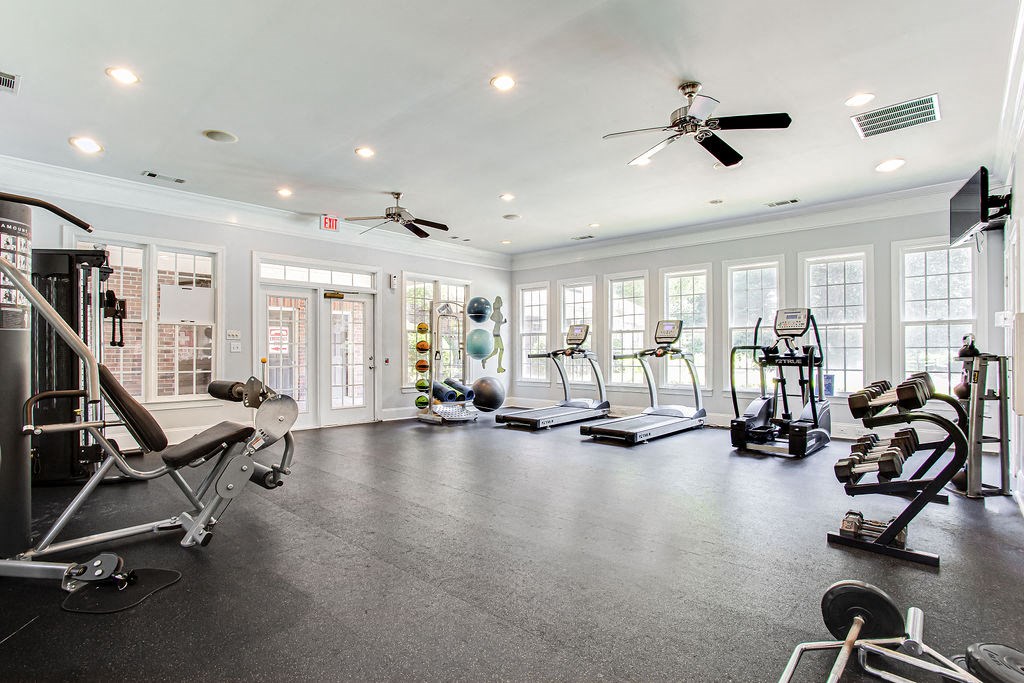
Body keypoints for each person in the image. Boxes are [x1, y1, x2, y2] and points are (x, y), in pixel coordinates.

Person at [482, 295, 506, 373]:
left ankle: (485, 359)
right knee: (501, 349)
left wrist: (503, 322)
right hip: (496, 333)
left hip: (496, 332)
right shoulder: (497, 312)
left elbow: (497, 323)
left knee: (495, 351)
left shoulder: (498, 312)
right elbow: (494, 319)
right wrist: (500, 322)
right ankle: (499, 367)